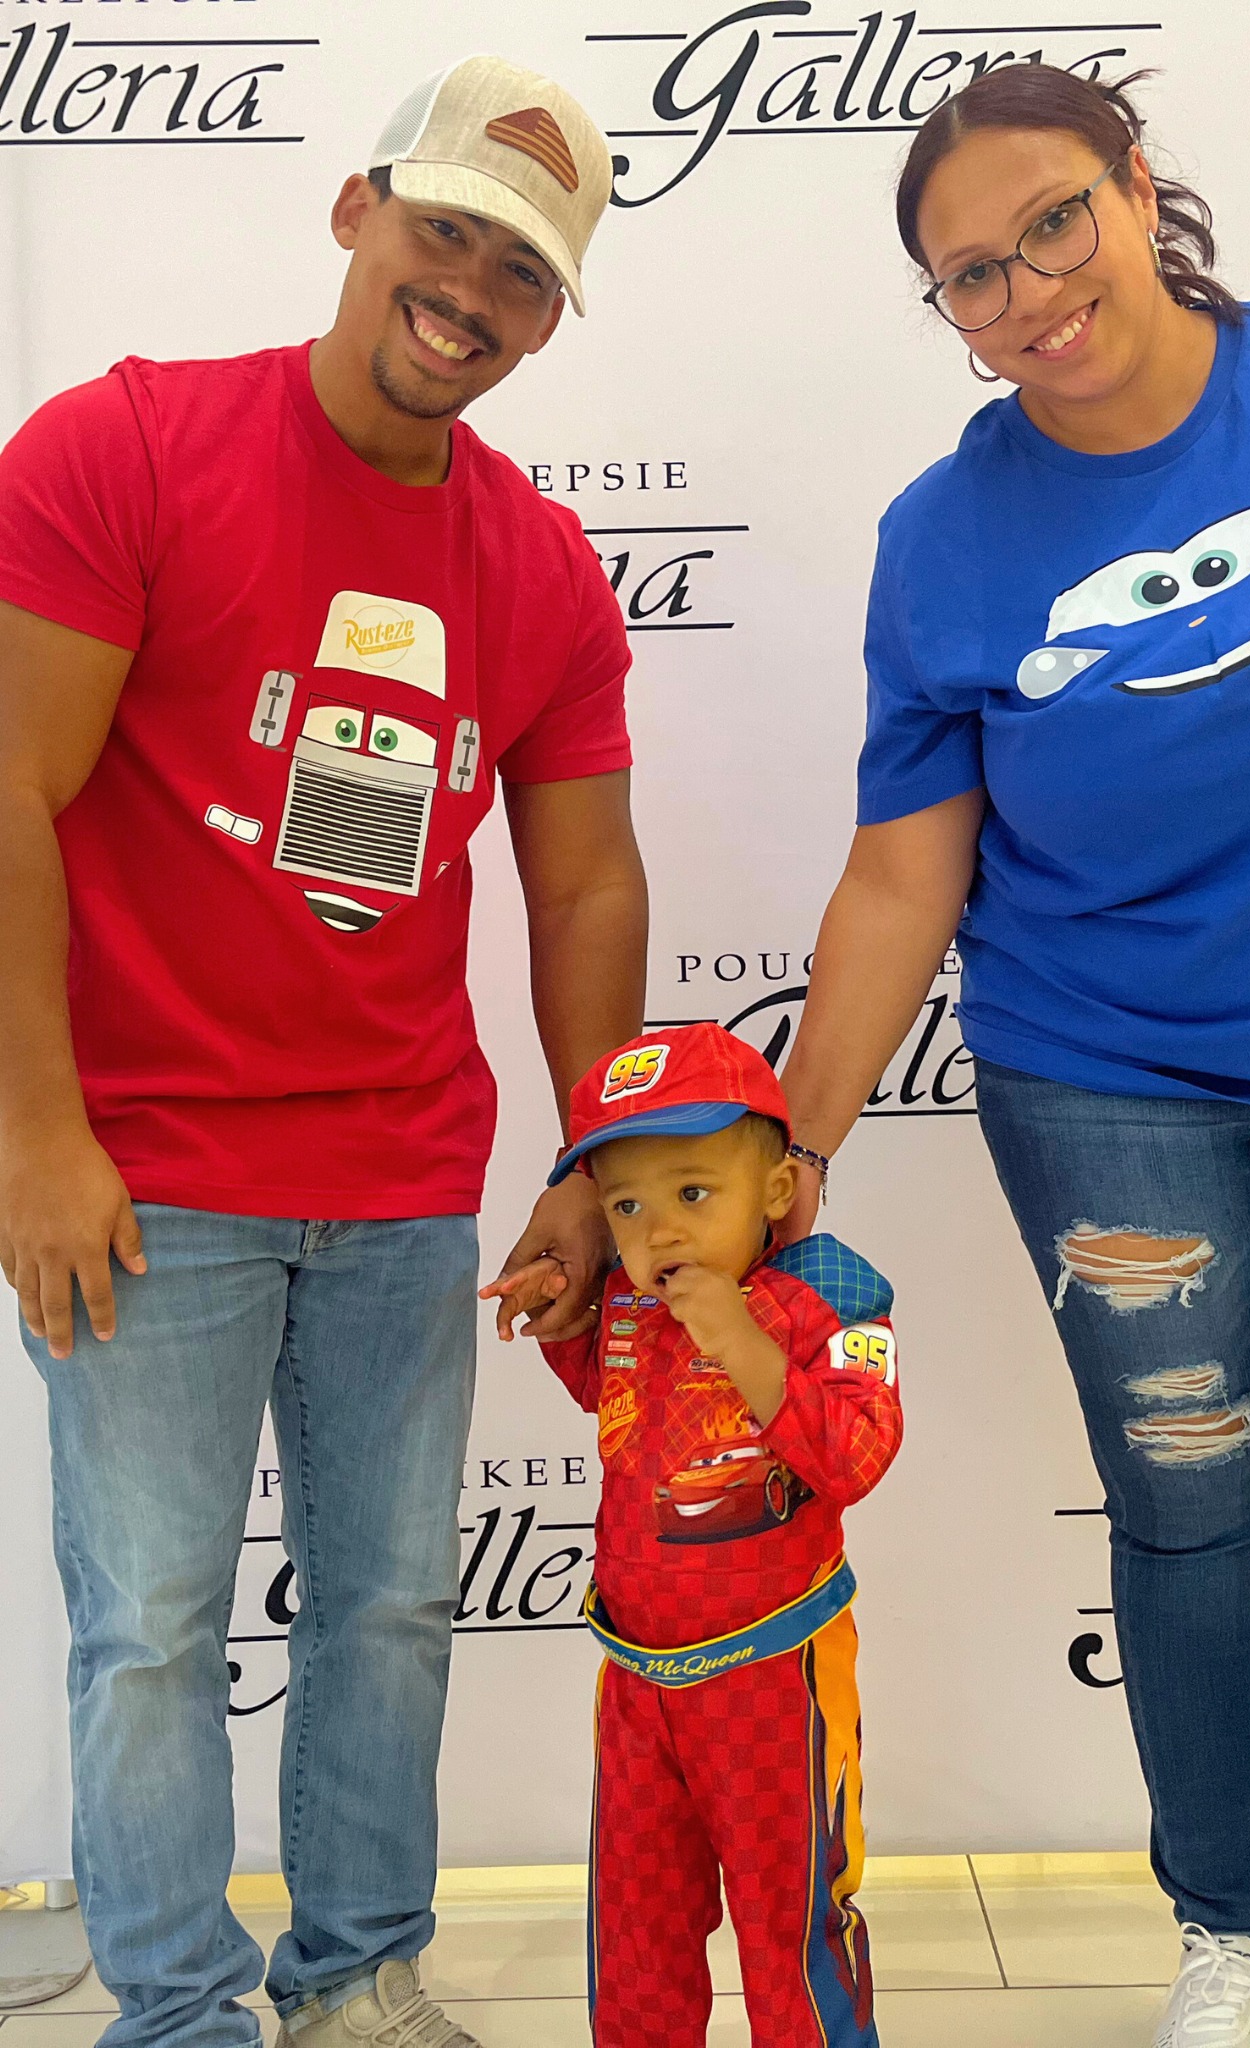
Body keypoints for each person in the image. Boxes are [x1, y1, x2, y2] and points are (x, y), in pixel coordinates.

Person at [776, 60, 1250, 2048]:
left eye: (1052, 223)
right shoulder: (945, 538)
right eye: (971, 275)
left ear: (1135, 185)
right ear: (947, 312)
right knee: (1188, 1505)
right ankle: (1224, 1936)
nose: (1028, 290)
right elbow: (900, 875)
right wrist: (793, 1143)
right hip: (1103, 1075)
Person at [0, 54, 647, 2048]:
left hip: (396, 1181)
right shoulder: (124, 447)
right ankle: (178, 2014)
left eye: (521, 275)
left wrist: (597, 1156)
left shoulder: (540, 567)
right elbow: (10, 787)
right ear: (357, 211)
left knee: (383, 1608)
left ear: (550, 318)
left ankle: (357, 1979)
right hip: (147, 1174)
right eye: (446, 233)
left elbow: (588, 886)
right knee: (150, 1627)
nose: (469, 295)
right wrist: (35, 1134)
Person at [531, 1023, 901, 2048]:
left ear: (776, 1191)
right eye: (627, 1205)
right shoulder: (628, 1303)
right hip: (638, 1681)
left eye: (693, 1192)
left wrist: (740, 1339)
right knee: (636, 1927)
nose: (660, 1231)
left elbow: (857, 1456)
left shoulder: (829, 1295)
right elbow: (618, 1407)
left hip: (774, 1680)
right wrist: (564, 1321)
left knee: (793, 1919)